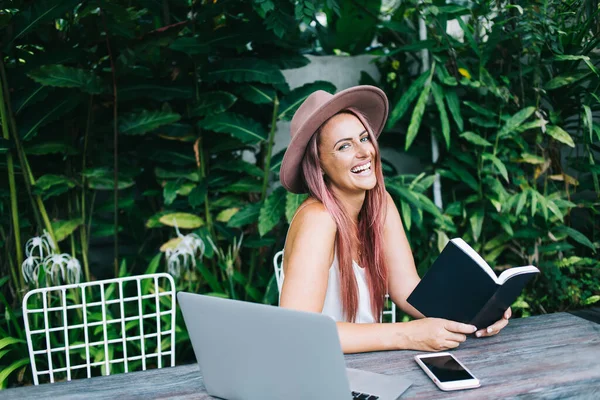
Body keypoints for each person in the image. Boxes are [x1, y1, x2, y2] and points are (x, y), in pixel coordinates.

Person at [278, 86, 510, 354]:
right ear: (318, 165)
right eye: (344, 146)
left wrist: (478, 311)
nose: (364, 152)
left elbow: (408, 290)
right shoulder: (317, 220)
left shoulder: (380, 203)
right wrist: (406, 335)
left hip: (371, 367)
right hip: (320, 372)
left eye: (364, 138)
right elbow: (298, 333)